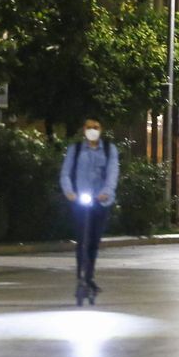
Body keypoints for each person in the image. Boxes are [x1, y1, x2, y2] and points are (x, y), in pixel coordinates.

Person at [60, 118, 119, 303]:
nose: (92, 130)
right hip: (80, 201)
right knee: (82, 241)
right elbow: (65, 173)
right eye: (89, 127)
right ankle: (81, 277)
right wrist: (69, 192)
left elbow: (112, 174)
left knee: (93, 241)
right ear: (83, 129)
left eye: (96, 127)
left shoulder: (109, 149)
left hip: (100, 201)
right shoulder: (76, 149)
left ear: (101, 129)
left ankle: (90, 276)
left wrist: (106, 192)